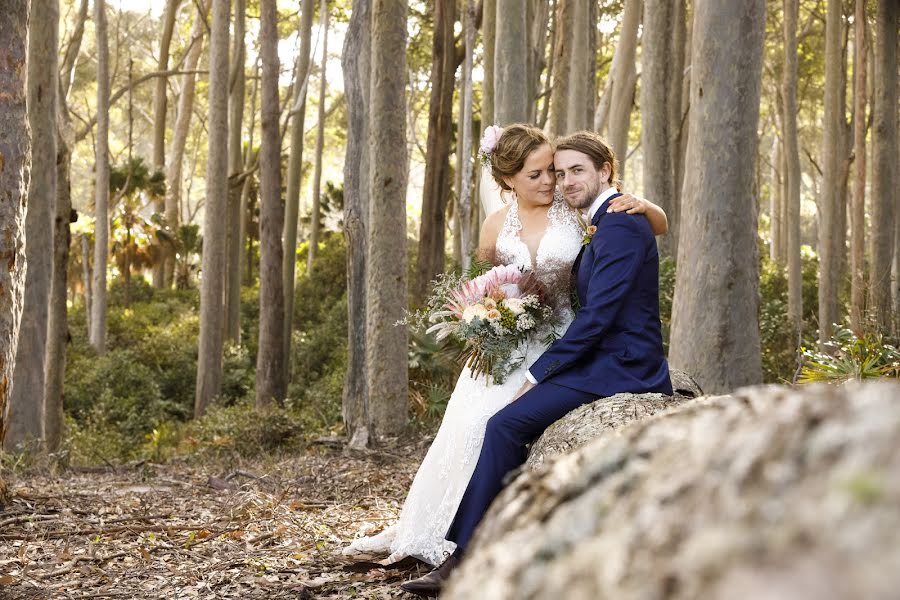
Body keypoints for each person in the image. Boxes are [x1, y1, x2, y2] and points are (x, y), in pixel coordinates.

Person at [344, 124, 668, 569]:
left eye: (559, 172)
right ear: (508, 179)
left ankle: (472, 553)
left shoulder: (583, 211)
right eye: (542, 173)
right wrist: (489, 317)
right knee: (477, 426)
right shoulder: (504, 222)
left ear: (602, 171)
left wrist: (646, 204)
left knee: (505, 425)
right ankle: (456, 540)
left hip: (573, 341)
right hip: (519, 340)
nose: (552, 181)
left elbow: (631, 240)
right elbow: (485, 282)